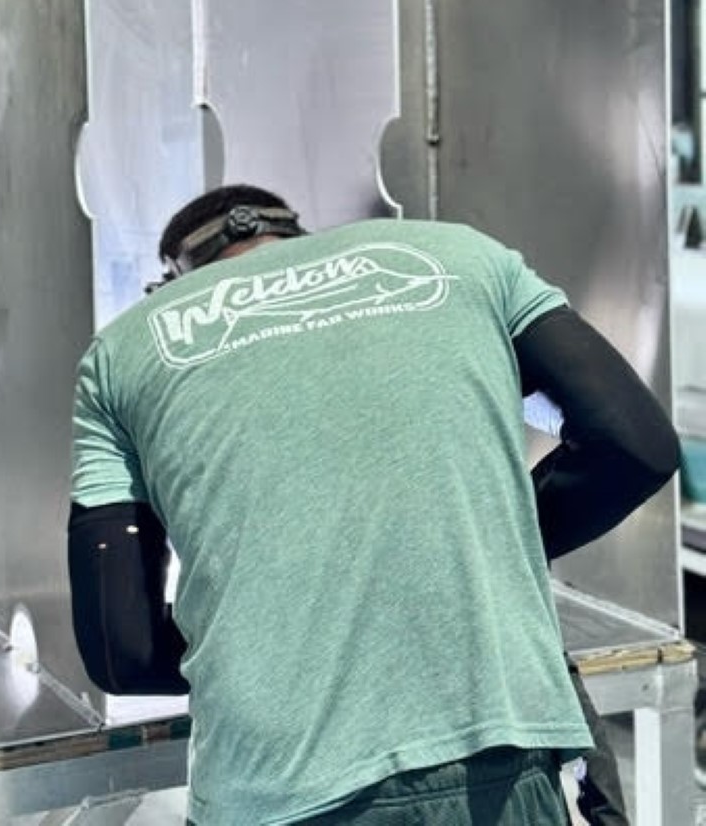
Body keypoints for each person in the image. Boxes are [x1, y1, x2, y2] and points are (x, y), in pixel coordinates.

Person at [68, 184, 680, 825]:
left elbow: (122, 651)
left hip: (272, 788)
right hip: (495, 760)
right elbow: (634, 446)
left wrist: (261, 647)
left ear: (173, 275)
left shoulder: (121, 354)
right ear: (299, 234)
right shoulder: (463, 257)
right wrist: (477, 552)